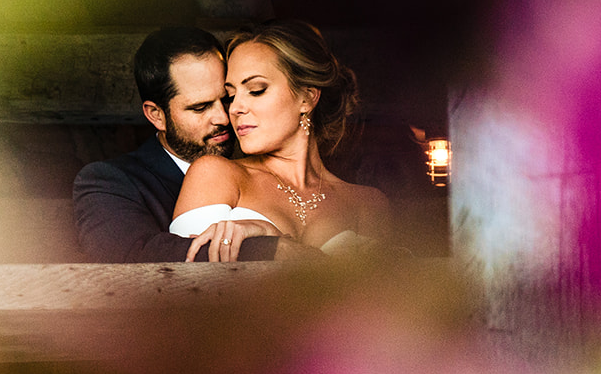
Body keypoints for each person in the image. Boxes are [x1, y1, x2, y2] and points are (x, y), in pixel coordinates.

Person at [170, 20, 390, 262]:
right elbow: (182, 283)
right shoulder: (214, 174)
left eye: (256, 90)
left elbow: (382, 295)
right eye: (231, 95)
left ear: (307, 98)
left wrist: (275, 240)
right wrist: (268, 247)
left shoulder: (368, 204)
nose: (235, 108)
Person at [74, 26, 297, 262]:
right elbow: (131, 260)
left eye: (226, 99)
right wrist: (268, 248)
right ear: (156, 115)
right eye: (200, 107)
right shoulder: (108, 181)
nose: (223, 117)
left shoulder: (259, 165)